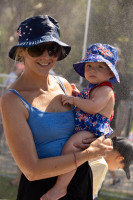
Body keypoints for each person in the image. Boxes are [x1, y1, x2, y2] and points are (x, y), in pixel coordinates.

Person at [0, 15, 113, 200]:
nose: (46, 56)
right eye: (37, 49)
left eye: (52, 49)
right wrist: (87, 154)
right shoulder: (12, 100)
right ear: (22, 52)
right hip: (43, 192)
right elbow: (32, 171)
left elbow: (90, 125)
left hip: (80, 184)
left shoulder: (65, 85)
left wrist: (101, 141)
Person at [41, 43, 119, 200]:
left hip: (92, 131)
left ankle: (60, 187)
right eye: (89, 65)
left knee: (71, 147)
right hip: (85, 128)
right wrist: (76, 93)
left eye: (99, 67)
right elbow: (87, 100)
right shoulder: (94, 87)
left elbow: (92, 107)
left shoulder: (106, 90)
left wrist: (74, 100)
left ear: (110, 72)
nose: (92, 69)